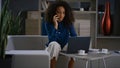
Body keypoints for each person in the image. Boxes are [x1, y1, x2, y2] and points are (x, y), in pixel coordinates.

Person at [45, 1, 77, 68]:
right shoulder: (48, 23)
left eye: (63, 13)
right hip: (53, 46)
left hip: (64, 45)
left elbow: (74, 37)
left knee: (73, 45)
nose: (61, 15)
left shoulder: (68, 22)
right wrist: (55, 25)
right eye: (58, 12)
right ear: (54, 13)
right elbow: (52, 40)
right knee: (54, 44)